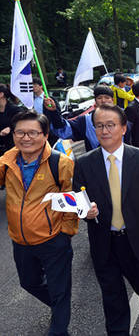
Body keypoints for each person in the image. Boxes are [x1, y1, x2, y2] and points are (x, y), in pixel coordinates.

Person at [73, 104, 139, 334]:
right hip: (104, 240)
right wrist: (86, 213)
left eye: (110, 125)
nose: (105, 131)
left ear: (123, 128)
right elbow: (79, 201)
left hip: (137, 238)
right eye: (99, 126)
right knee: (112, 296)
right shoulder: (84, 163)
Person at [0, 110, 78, 335]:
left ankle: (59, 326)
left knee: (59, 289)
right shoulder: (6, 162)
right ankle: (59, 307)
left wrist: (66, 232)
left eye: (33, 133)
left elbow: (71, 200)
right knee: (29, 283)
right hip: (20, 240)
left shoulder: (60, 162)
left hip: (54, 239)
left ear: (45, 135)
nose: (26, 138)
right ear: (13, 135)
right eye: (20, 132)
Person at [45, 85, 116, 152]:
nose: (103, 101)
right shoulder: (86, 121)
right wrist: (54, 112)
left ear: (112, 100)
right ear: (95, 101)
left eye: (107, 97)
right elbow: (64, 130)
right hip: (96, 162)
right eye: (99, 98)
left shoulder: (123, 118)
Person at [0, 84, 25, 156]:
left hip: (13, 148)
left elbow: (23, 124)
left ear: (1, 94)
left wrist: (10, 128)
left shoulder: (15, 110)